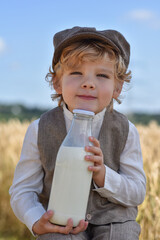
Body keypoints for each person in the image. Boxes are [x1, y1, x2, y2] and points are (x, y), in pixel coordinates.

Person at [9, 26, 146, 240]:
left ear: (117, 87)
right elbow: (23, 190)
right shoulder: (39, 129)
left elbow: (137, 191)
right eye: (76, 73)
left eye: (102, 75)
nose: (88, 83)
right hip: (61, 224)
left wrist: (103, 175)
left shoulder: (126, 130)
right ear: (57, 82)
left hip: (114, 223)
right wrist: (36, 220)